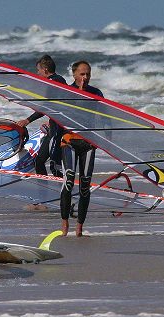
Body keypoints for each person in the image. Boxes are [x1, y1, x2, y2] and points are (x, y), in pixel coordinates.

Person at [60, 60, 103, 237]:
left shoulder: (96, 93)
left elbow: (105, 116)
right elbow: (59, 114)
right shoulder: (66, 92)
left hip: (88, 144)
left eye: (88, 74)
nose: (85, 77)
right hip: (69, 141)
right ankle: (64, 224)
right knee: (69, 181)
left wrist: (106, 139)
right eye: (82, 74)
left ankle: (79, 228)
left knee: (84, 186)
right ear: (74, 75)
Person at [16, 54, 67, 177]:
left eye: (38, 70)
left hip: (58, 132)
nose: (38, 73)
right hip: (53, 129)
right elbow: (54, 107)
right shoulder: (59, 80)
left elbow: (47, 107)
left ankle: (60, 193)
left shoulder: (54, 82)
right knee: (39, 161)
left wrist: (28, 120)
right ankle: (47, 192)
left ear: (45, 69)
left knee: (55, 166)